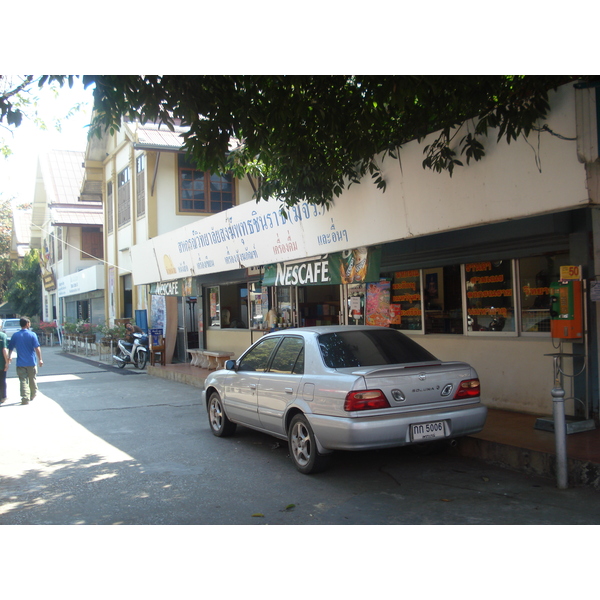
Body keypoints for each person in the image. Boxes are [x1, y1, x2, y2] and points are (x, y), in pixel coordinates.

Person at [7, 317, 43, 405]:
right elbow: (37, 348)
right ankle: (33, 394)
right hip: (31, 362)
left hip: (20, 363)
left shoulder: (15, 335)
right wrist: (40, 359)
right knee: (32, 379)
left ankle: (25, 397)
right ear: (27, 324)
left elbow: (10, 347)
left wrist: (9, 357)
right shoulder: (32, 335)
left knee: (23, 380)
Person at [0, 321, 8, 404]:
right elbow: (4, 350)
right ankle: (3, 397)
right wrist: (7, 362)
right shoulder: (3, 336)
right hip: (1, 363)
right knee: (2, 380)